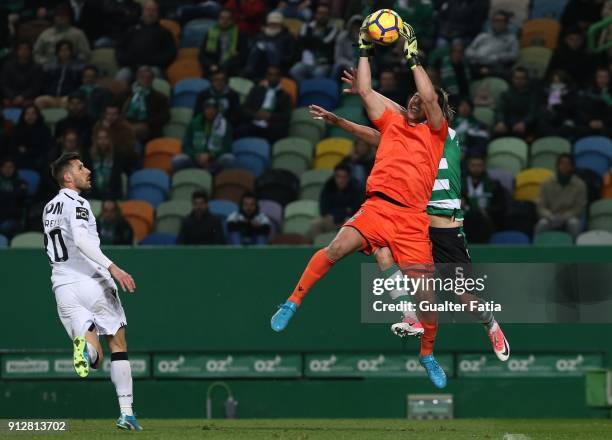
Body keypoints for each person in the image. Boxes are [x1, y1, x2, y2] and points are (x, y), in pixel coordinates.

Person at [271, 22, 453, 387]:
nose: (416, 100)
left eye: (422, 98)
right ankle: (292, 302)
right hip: (378, 207)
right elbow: (366, 89)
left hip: (412, 219)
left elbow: (431, 99)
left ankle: (428, 354)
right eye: (412, 98)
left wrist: (412, 56)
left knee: (428, 298)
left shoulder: (436, 131)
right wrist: (364, 46)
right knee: (336, 247)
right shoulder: (394, 122)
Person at [310, 68, 509, 366]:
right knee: (381, 249)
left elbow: (416, 104)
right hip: (411, 224)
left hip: (445, 229)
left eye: (429, 103)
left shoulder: (445, 136)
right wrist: (365, 91)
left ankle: (490, 324)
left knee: (466, 299)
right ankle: (408, 313)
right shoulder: (407, 132)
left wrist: (372, 92)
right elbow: (385, 130)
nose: (421, 105)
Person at [43, 152, 141, 431]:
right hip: (91, 281)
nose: (87, 170)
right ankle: (126, 413)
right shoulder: (79, 203)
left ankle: (85, 348)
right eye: (80, 167)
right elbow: (83, 241)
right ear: (68, 178)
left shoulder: (49, 207)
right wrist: (114, 268)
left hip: (62, 286)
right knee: (118, 345)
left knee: (95, 359)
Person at [115, 0, 176, 82]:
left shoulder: (164, 32)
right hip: (132, 66)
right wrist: (128, 60)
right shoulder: (131, 30)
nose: (150, 13)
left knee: (156, 75)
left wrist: (153, 61)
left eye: (153, 10)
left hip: (153, 68)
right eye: (148, 10)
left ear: (158, 13)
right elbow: (120, 49)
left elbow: (170, 53)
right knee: (122, 76)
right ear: (142, 12)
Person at [172, 99, 233, 173]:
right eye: (208, 108)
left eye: (213, 109)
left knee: (229, 158)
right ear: (203, 110)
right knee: (178, 160)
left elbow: (226, 147)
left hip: (214, 161)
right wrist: (196, 155)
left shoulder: (224, 125)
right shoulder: (194, 123)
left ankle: (220, 182)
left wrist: (210, 156)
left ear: (217, 111)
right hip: (196, 160)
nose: (210, 111)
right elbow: (186, 145)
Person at [535, 154, 587, 239]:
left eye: (568, 164)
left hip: (570, 217)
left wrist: (564, 217)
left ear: (572, 167)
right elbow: (541, 207)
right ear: (557, 166)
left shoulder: (580, 185)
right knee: (542, 224)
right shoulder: (546, 183)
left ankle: (575, 250)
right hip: (550, 217)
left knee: (574, 224)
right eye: (562, 163)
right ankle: (537, 250)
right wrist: (550, 216)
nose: (564, 166)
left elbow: (579, 208)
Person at [236, 65, 291, 143]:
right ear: (266, 76)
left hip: (271, 125)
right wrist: (255, 114)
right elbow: (245, 108)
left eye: (275, 75)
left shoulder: (285, 96)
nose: (273, 78)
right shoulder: (256, 90)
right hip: (254, 121)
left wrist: (270, 116)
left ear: (280, 78)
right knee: (240, 129)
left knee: (280, 131)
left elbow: (286, 115)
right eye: (270, 75)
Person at [462, 154, 507, 243]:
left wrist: (487, 210)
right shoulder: (459, 184)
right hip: (464, 219)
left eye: (479, 165)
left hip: (487, 220)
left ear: (484, 167)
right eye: (473, 165)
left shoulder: (494, 184)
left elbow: (502, 206)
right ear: (468, 166)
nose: (476, 168)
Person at [309, 164, 363, 238]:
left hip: (347, 221)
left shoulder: (356, 188)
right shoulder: (328, 186)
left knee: (355, 224)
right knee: (315, 225)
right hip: (330, 220)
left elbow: (356, 210)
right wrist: (344, 210)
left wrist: (336, 213)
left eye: (344, 177)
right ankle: (318, 247)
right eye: (338, 177)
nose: (341, 180)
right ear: (334, 177)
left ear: (348, 178)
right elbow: (323, 209)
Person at [289, 4, 339, 82]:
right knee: (294, 71)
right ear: (315, 14)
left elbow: (325, 43)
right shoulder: (306, 27)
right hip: (305, 62)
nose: (322, 16)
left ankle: (310, 88)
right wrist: (315, 42)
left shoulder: (333, 29)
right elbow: (301, 41)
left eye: (325, 14)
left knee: (318, 74)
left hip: (323, 63)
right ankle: (306, 87)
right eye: (320, 13)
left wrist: (309, 41)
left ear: (329, 16)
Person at [121, 65, 170, 142]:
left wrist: (146, 124)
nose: (145, 80)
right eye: (142, 77)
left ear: (152, 80)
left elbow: (165, 117)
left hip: (148, 129)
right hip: (126, 126)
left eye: (149, 78)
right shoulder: (126, 95)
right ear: (137, 78)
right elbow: (115, 110)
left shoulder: (160, 98)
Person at [465, 11, 519, 78]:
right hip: (476, 63)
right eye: (496, 20)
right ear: (492, 22)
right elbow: (469, 50)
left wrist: (498, 57)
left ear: (506, 23)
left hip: (494, 67)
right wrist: (477, 55)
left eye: (501, 20)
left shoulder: (511, 38)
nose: (498, 23)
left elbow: (514, 55)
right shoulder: (483, 36)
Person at [244, 11, 296, 80]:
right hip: (261, 62)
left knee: (268, 44)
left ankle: (273, 71)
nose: (273, 25)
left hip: (279, 63)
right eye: (271, 23)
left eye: (276, 23)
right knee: (258, 45)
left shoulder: (287, 36)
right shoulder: (260, 35)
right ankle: (249, 69)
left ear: (281, 24)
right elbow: (252, 50)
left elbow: (290, 55)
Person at [34, 40, 84, 109]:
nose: (64, 53)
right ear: (57, 52)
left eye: (66, 50)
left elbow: (79, 84)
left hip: (67, 97)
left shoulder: (78, 67)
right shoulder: (50, 66)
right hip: (51, 97)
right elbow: (45, 82)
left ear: (71, 52)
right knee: (39, 100)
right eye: (61, 50)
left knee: (67, 101)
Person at [198, 8, 247, 76]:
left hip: (232, 71)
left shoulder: (240, 35)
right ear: (218, 20)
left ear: (232, 20)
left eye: (228, 19)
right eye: (222, 18)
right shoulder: (210, 33)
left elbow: (242, 56)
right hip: (213, 70)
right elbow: (202, 54)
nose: (225, 21)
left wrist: (223, 66)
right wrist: (210, 64)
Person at [494, 67, 539, 138]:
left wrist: (524, 123)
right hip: (508, 122)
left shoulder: (533, 95)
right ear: (512, 79)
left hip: (525, 123)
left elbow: (533, 112)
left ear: (527, 80)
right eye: (517, 78)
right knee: (498, 131)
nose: (519, 81)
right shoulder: (506, 93)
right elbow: (500, 110)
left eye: (522, 78)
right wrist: (500, 122)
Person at [92, 104, 138, 169]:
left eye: (114, 114)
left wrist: (109, 130)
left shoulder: (126, 127)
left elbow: (128, 148)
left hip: (122, 158)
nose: (110, 117)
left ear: (118, 115)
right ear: (104, 115)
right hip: (102, 156)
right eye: (108, 114)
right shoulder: (99, 126)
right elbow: (95, 144)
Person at [9, 104, 53, 171]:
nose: (30, 116)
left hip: (38, 158)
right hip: (20, 158)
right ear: (23, 116)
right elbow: (13, 145)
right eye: (27, 114)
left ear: (37, 115)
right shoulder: (17, 129)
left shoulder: (44, 129)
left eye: (33, 113)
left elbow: (46, 147)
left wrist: (27, 151)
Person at [1, 41, 44, 108]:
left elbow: (36, 87)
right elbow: (4, 85)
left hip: (28, 98)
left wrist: (22, 97)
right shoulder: (8, 66)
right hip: (10, 98)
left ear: (30, 51)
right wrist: (12, 97)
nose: (23, 51)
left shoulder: (37, 68)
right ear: (17, 51)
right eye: (20, 49)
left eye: (26, 49)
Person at [87, 128, 126, 200]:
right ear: (96, 140)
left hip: (113, 195)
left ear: (110, 140)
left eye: (105, 138)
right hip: (94, 195)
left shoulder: (117, 156)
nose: (103, 141)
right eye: (100, 138)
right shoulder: (90, 156)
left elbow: (117, 179)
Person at [575, 67, 612, 137]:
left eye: (605, 77)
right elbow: (580, 110)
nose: (602, 80)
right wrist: (589, 121)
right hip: (588, 124)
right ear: (596, 78)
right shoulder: (587, 92)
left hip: (607, 126)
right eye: (600, 77)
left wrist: (603, 122)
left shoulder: (610, 93)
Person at [0, 157, 27, 239]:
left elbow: (20, 197)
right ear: (1, 168)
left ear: (14, 169)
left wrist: (4, 194)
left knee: (5, 227)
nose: (8, 169)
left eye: (10, 167)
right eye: (5, 167)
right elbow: (15, 195)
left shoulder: (20, 182)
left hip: (13, 218)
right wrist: (12, 194)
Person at [332, 15, 361, 81]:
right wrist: (349, 64)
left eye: (359, 26)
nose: (356, 28)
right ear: (350, 26)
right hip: (345, 65)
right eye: (354, 25)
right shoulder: (342, 37)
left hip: (361, 66)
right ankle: (334, 88)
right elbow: (338, 57)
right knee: (337, 67)